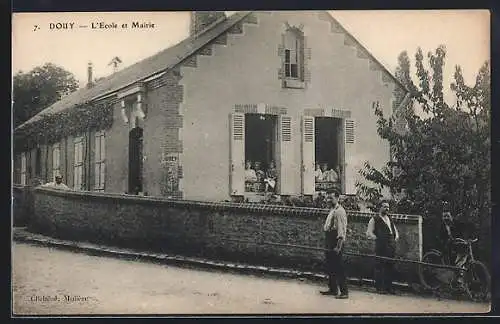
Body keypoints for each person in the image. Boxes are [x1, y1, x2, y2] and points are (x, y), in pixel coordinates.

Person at [320, 189, 349, 299]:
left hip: (335, 241)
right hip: (329, 240)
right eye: (327, 197)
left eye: (331, 198)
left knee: (338, 267)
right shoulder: (332, 210)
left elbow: (341, 230)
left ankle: (344, 292)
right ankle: (332, 289)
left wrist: (338, 246)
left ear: (337, 198)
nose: (328, 200)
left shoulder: (339, 211)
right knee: (330, 266)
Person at [366, 200, 399, 294]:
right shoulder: (374, 219)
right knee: (379, 266)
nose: (387, 209)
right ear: (380, 207)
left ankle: (389, 287)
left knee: (390, 265)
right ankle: (380, 288)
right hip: (381, 245)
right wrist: (377, 238)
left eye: (388, 207)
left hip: (391, 245)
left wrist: (395, 238)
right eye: (384, 206)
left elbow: (394, 230)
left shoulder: (389, 218)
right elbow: (369, 232)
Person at [439, 203, 467, 285]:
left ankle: (460, 280)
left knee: (460, 261)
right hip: (448, 247)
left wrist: (461, 239)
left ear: (451, 216)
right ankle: (453, 281)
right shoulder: (442, 226)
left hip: (458, 246)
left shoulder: (457, 224)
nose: (446, 218)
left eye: (447, 216)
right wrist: (446, 242)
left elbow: (462, 234)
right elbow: (440, 238)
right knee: (451, 265)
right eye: (444, 216)